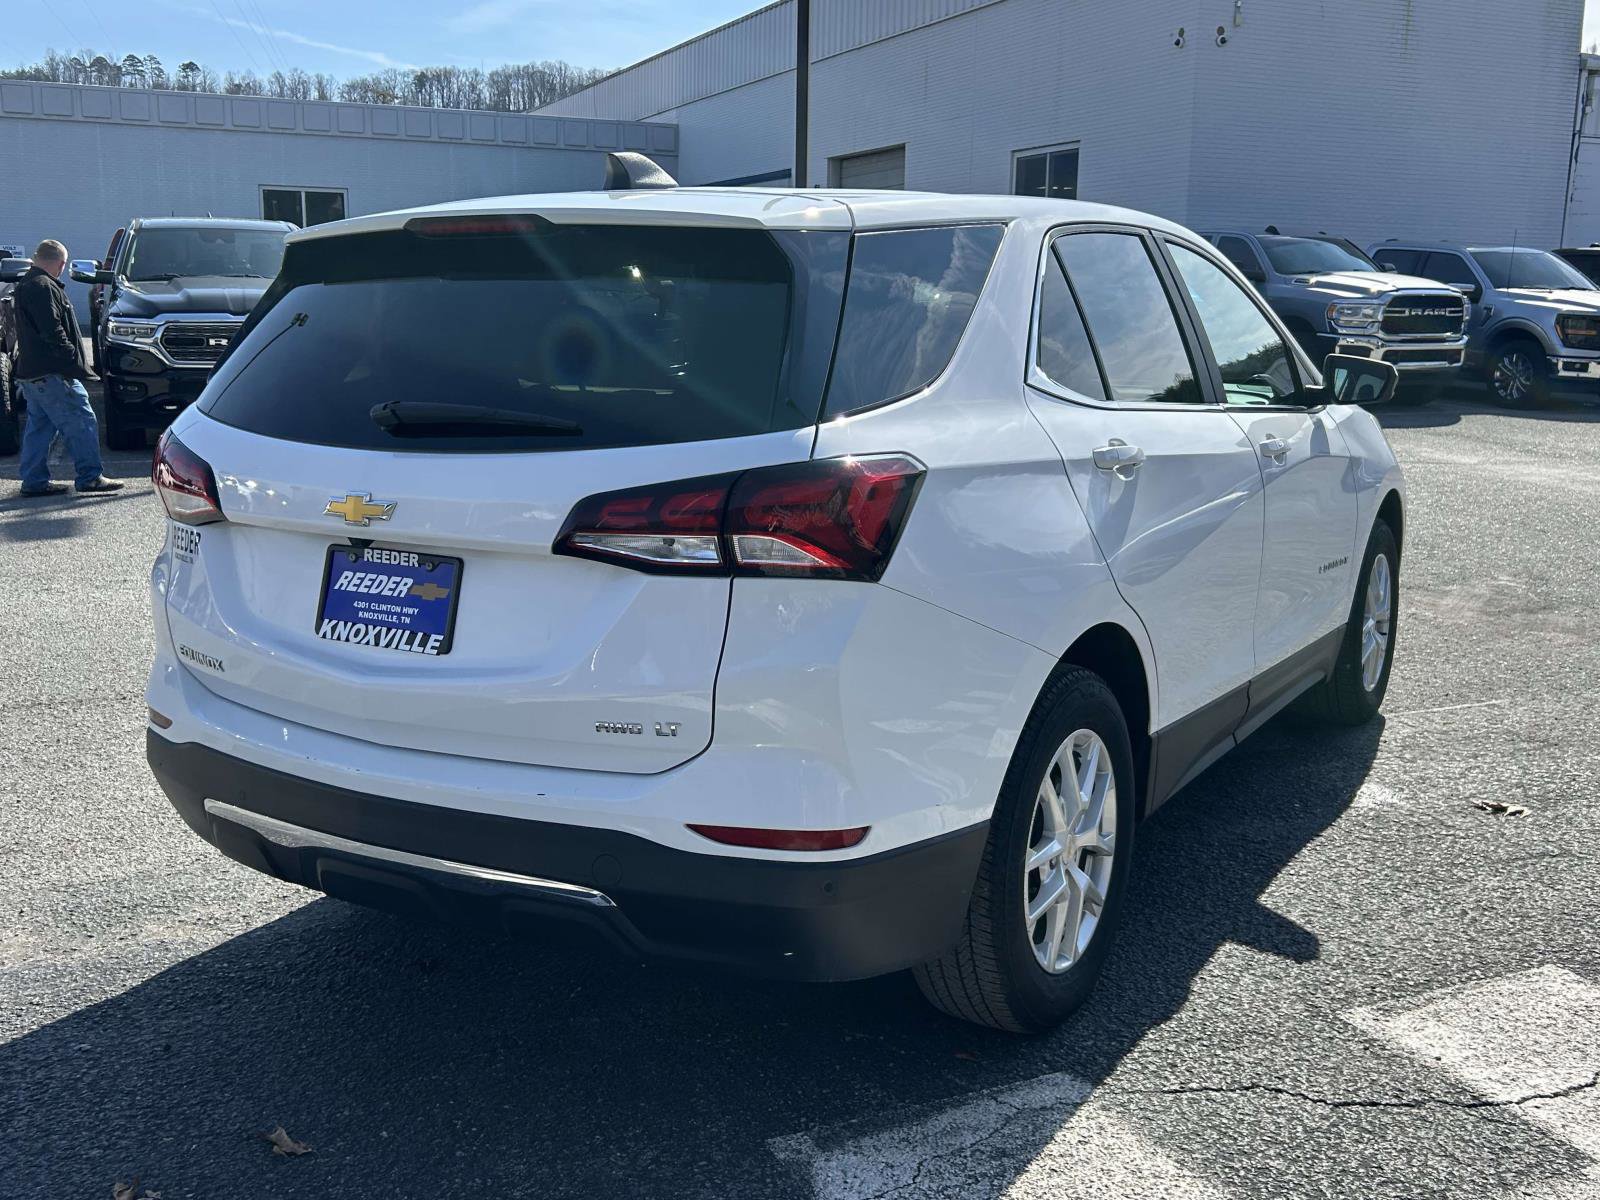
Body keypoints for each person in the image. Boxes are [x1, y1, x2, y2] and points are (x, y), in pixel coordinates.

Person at [13, 239, 123, 497]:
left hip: (33, 373)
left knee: (39, 428)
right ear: (61, 264)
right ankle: (90, 477)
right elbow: (52, 330)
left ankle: (34, 480)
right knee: (82, 419)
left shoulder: (27, 284)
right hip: (53, 372)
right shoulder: (43, 286)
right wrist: (71, 358)